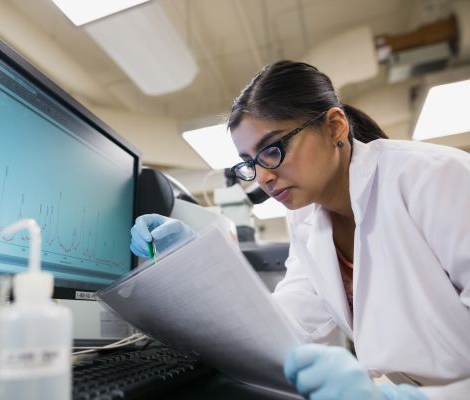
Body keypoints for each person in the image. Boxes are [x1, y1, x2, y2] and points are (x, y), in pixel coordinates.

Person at [130, 61, 470, 400]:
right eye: (250, 163)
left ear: (335, 127)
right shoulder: (306, 217)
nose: (262, 177)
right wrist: (196, 265)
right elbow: (291, 326)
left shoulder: (434, 178)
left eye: (272, 150)